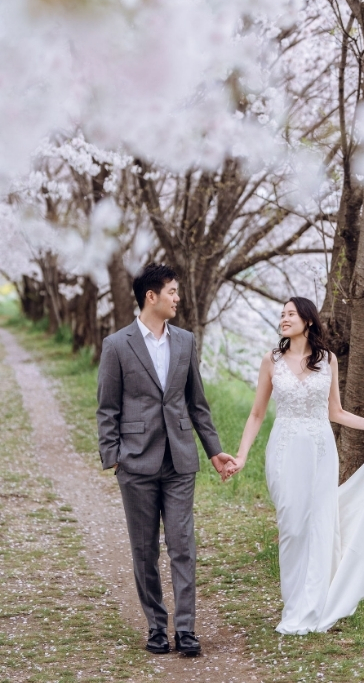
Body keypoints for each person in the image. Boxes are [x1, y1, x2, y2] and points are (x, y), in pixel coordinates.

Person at [224, 296, 364, 634]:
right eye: (282, 314)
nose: (284, 319)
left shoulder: (327, 360)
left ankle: (313, 608)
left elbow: (336, 412)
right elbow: (257, 414)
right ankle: (293, 608)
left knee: (318, 527)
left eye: (291, 314)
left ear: (309, 321)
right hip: (285, 449)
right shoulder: (271, 360)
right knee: (292, 527)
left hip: (320, 450)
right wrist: (241, 456)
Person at [96, 263, 236, 656]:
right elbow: (107, 408)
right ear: (150, 297)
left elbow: (197, 403)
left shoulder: (186, 341)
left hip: (180, 460)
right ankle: (156, 627)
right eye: (172, 291)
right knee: (144, 550)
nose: (178, 298)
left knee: (182, 546)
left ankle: (187, 630)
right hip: (135, 463)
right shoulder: (117, 345)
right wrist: (114, 458)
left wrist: (213, 450)